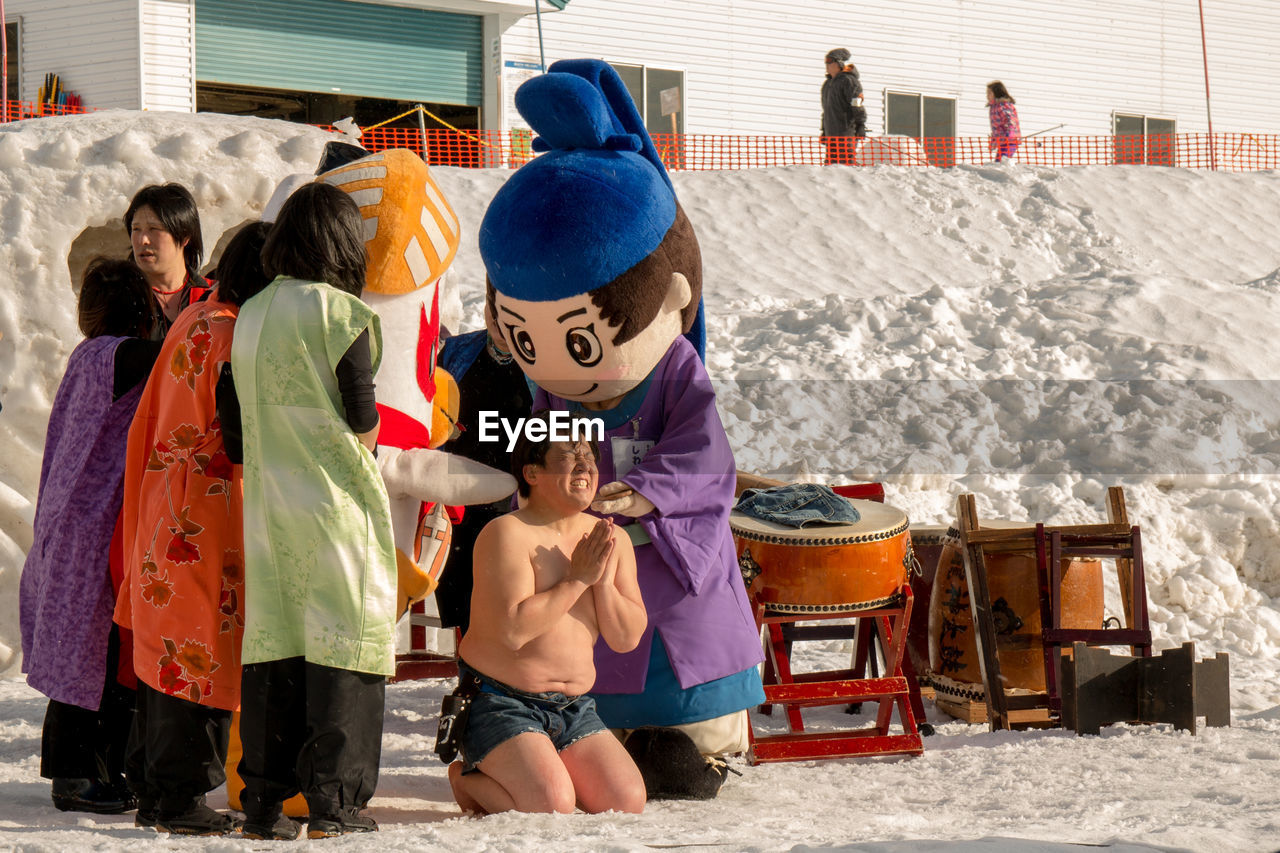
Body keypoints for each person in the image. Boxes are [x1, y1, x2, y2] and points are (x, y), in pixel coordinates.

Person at [479, 59, 765, 801]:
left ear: (669, 294)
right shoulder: (545, 390)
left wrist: (642, 494)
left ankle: (695, 738)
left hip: (664, 548)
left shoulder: (672, 370)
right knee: (588, 668)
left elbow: (705, 451)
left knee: (674, 657)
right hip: (583, 549)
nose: (553, 366)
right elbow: (532, 448)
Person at [230, 181, 396, 840]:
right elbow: (362, 415)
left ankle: (263, 802)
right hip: (334, 503)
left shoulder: (250, 312)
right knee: (345, 646)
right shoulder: (340, 314)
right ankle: (337, 805)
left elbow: (235, 423)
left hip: (271, 507)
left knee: (277, 648)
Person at [112, 222, 272, 837]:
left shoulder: (194, 318)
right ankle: (178, 797)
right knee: (198, 653)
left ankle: (156, 792)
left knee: (167, 648)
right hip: (208, 511)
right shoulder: (237, 333)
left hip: (164, 496)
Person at [446, 413, 647, 815]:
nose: (585, 465)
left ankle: (543, 766)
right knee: (551, 805)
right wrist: (576, 581)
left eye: (589, 456)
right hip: (500, 699)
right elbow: (514, 631)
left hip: (573, 705)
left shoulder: (612, 539)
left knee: (626, 802)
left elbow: (626, 639)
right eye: (569, 455)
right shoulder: (506, 533)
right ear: (532, 472)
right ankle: (466, 777)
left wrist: (602, 583)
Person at [19, 258, 161, 816]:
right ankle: (77, 776)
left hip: (70, 524)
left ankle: (91, 771)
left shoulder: (87, 354)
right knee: (95, 660)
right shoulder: (120, 354)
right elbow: (174, 358)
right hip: (94, 527)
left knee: (90, 658)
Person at [435, 300, 535, 634]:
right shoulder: (457, 352)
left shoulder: (546, 360)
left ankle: (507, 663)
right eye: (497, 312)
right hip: (461, 489)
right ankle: (470, 663)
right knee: (459, 566)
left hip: (523, 492)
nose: (504, 323)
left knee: (513, 579)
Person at [124, 183, 209, 339]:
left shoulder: (212, 297)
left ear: (184, 236)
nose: (143, 240)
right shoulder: (121, 299)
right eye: (136, 229)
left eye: (153, 229)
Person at [821, 48, 866, 165]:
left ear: (839, 63)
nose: (826, 64)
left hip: (846, 131)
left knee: (846, 164)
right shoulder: (827, 84)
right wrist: (824, 130)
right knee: (831, 166)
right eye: (826, 61)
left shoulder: (849, 81)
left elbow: (856, 103)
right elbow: (826, 109)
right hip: (831, 133)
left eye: (829, 61)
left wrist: (860, 124)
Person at [987, 80, 1021, 162]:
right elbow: (996, 127)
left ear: (997, 93)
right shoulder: (994, 107)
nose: (987, 96)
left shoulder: (1004, 105)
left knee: (1001, 162)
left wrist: (1010, 134)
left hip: (1010, 140)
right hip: (1002, 141)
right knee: (998, 163)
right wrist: (994, 141)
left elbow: (1010, 120)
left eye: (989, 93)